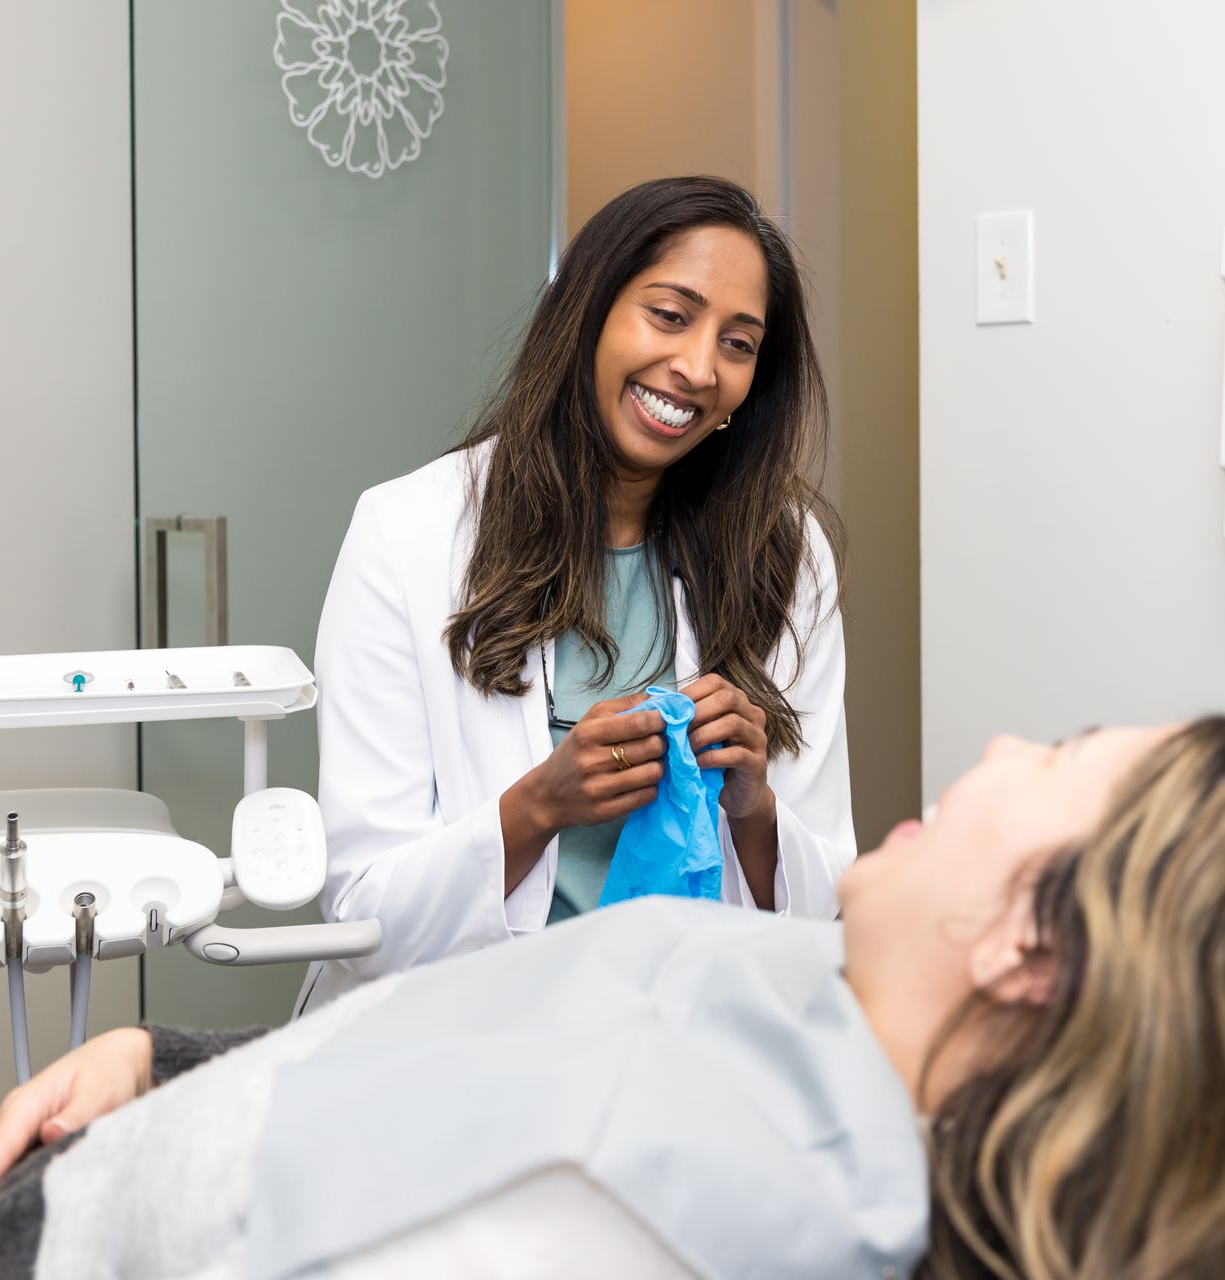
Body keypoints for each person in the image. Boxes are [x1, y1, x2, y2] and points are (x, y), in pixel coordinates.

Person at [0, 716, 1225, 1280]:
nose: (998, 735)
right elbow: (464, 1060)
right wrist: (160, 1058)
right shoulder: (828, 1019)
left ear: (1033, 946)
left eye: (1059, 748)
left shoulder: (612, 1223)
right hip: (84, 1162)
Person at [293, 175, 852, 1011]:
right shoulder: (407, 532)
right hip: (456, 1034)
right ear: (588, 312)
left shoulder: (785, 555)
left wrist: (753, 811)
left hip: (679, 1035)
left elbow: (825, 907)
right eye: (669, 315)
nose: (698, 367)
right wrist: (539, 806)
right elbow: (364, 912)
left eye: (738, 344)